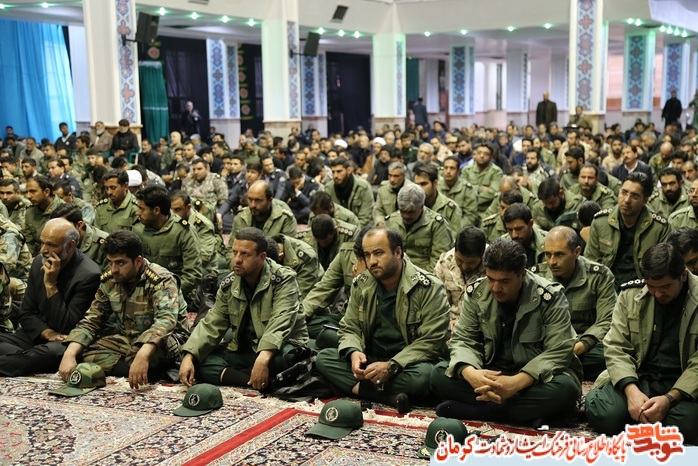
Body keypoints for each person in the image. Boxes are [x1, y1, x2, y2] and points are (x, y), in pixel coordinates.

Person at [430, 238, 582, 425]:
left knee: (566, 389)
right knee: (438, 374)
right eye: (490, 279)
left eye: (504, 281)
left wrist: (517, 382)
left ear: (522, 275)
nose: (495, 288)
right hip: (491, 373)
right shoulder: (477, 293)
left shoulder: (550, 297)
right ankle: (526, 414)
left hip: (533, 378)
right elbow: (463, 339)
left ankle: (477, 410)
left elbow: (559, 350)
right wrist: (471, 373)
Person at [316, 227, 449, 413]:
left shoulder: (429, 287)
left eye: (378, 253)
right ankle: (387, 397)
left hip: (408, 364)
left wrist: (391, 366)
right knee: (324, 358)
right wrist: (354, 352)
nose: (372, 261)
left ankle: (359, 388)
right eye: (367, 255)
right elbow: (349, 327)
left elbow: (431, 341)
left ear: (398, 252)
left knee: (426, 377)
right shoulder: (362, 283)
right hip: (372, 359)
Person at [586, 244, 698, 444]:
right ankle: (651, 421)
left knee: (691, 422)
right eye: (651, 287)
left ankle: (641, 420)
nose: (658, 294)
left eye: (665, 287)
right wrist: (632, 392)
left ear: (683, 275)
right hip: (640, 377)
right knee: (605, 414)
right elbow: (616, 347)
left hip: (683, 387)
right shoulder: (631, 294)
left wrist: (670, 398)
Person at [179, 227, 308, 389]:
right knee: (199, 360)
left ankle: (244, 374)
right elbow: (212, 323)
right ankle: (259, 380)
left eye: (245, 254)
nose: (237, 260)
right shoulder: (230, 283)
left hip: (279, 349)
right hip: (247, 351)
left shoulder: (283, 280)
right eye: (235, 253)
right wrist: (190, 355)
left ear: (262, 257)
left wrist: (263, 357)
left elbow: (280, 322)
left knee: (290, 358)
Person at [58, 230, 190, 388]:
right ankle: (140, 369)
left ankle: (140, 365)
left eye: (120, 263)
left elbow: (166, 321)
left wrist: (142, 354)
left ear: (138, 261)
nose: (113, 269)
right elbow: (92, 320)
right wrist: (70, 354)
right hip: (128, 339)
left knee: (144, 355)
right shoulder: (111, 279)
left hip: (166, 340)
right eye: (110, 262)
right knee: (82, 352)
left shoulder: (161, 280)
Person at [0, 219, 101, 376]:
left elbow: (68, 326)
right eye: (42, 243)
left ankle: (22, 359)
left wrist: (51, 285)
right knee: (30, 352)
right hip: (38, 335)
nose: (43, 250)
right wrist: (47, 333)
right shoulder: (38, 262)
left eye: (51, 245)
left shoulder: (89, 275)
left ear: (70, 246)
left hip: (65, 341)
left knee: (52, 353)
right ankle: (22, 359)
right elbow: (26, 314)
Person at [531, 226, 615, 380]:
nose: (552, 262)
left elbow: (606, 320)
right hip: (550, 346)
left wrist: (580, 346)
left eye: (559, 254)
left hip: (586, 346)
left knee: (612, 353)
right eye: (548, 255)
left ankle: (553, 369)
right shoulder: (535, 277)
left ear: (576, 252)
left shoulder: (599, 276)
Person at [585, 172, 670, 289]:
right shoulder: (600, 222)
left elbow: (661, 269)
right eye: (624, 193)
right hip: (606, 286)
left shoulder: (659, 228)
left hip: (643, 288)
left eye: (634, 196)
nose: (627, 200)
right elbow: (590, 262)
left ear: (645, 200)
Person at [132, 185, 202, 299]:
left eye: (142, 209)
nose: (137, 213)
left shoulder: (183, 231)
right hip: (144, 294)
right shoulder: (138, 229)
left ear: (156, 210)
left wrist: (166, 293)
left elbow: (192, 275)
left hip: (178, 294)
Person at [385, 184, 453, 272]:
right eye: (402, 211)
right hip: (396, 272)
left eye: (411, 212)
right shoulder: (391, 221)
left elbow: (439, 263)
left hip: (426, 274)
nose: (405, 216)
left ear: (421, 206)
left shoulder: (437, 225)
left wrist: (415, 276)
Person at [434, 226, 486, 328]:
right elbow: (437, 304)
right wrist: (448, 323)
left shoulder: (493, 265)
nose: (465, 266)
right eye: (460, 260)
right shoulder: (444, 263)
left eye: (471, 263)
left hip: (480, 324)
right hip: (450, 323)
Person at [231, 180, 297, 239]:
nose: (252, 205)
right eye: (250, 199)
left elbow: (289, 247)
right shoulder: (241, 217)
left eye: (258, 200)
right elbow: (231, 247)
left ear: (269, 200)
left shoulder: (285, 218)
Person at [325, 157, 375, 227]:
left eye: (339, 171)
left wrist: (352, 231)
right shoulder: (329, 188)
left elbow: (365, 217)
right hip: (337, 227)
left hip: (361, 227)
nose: (335, 175)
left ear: (348, 170)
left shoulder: (363, 187)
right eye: (333, 172)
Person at [24, 175, 64, 256]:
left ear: (46, 192)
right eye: (27, 192)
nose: (28, 196)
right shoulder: (30, 212)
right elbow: (29, 241)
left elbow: (62, 244)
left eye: (33, 191)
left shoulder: (62, 210)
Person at [94, 169, 139, 233]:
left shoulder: (136, 208)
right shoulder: (101, 207)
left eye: (113, 188)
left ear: (125, 186)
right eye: (106, 188)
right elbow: (96, 234)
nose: (109, 192)